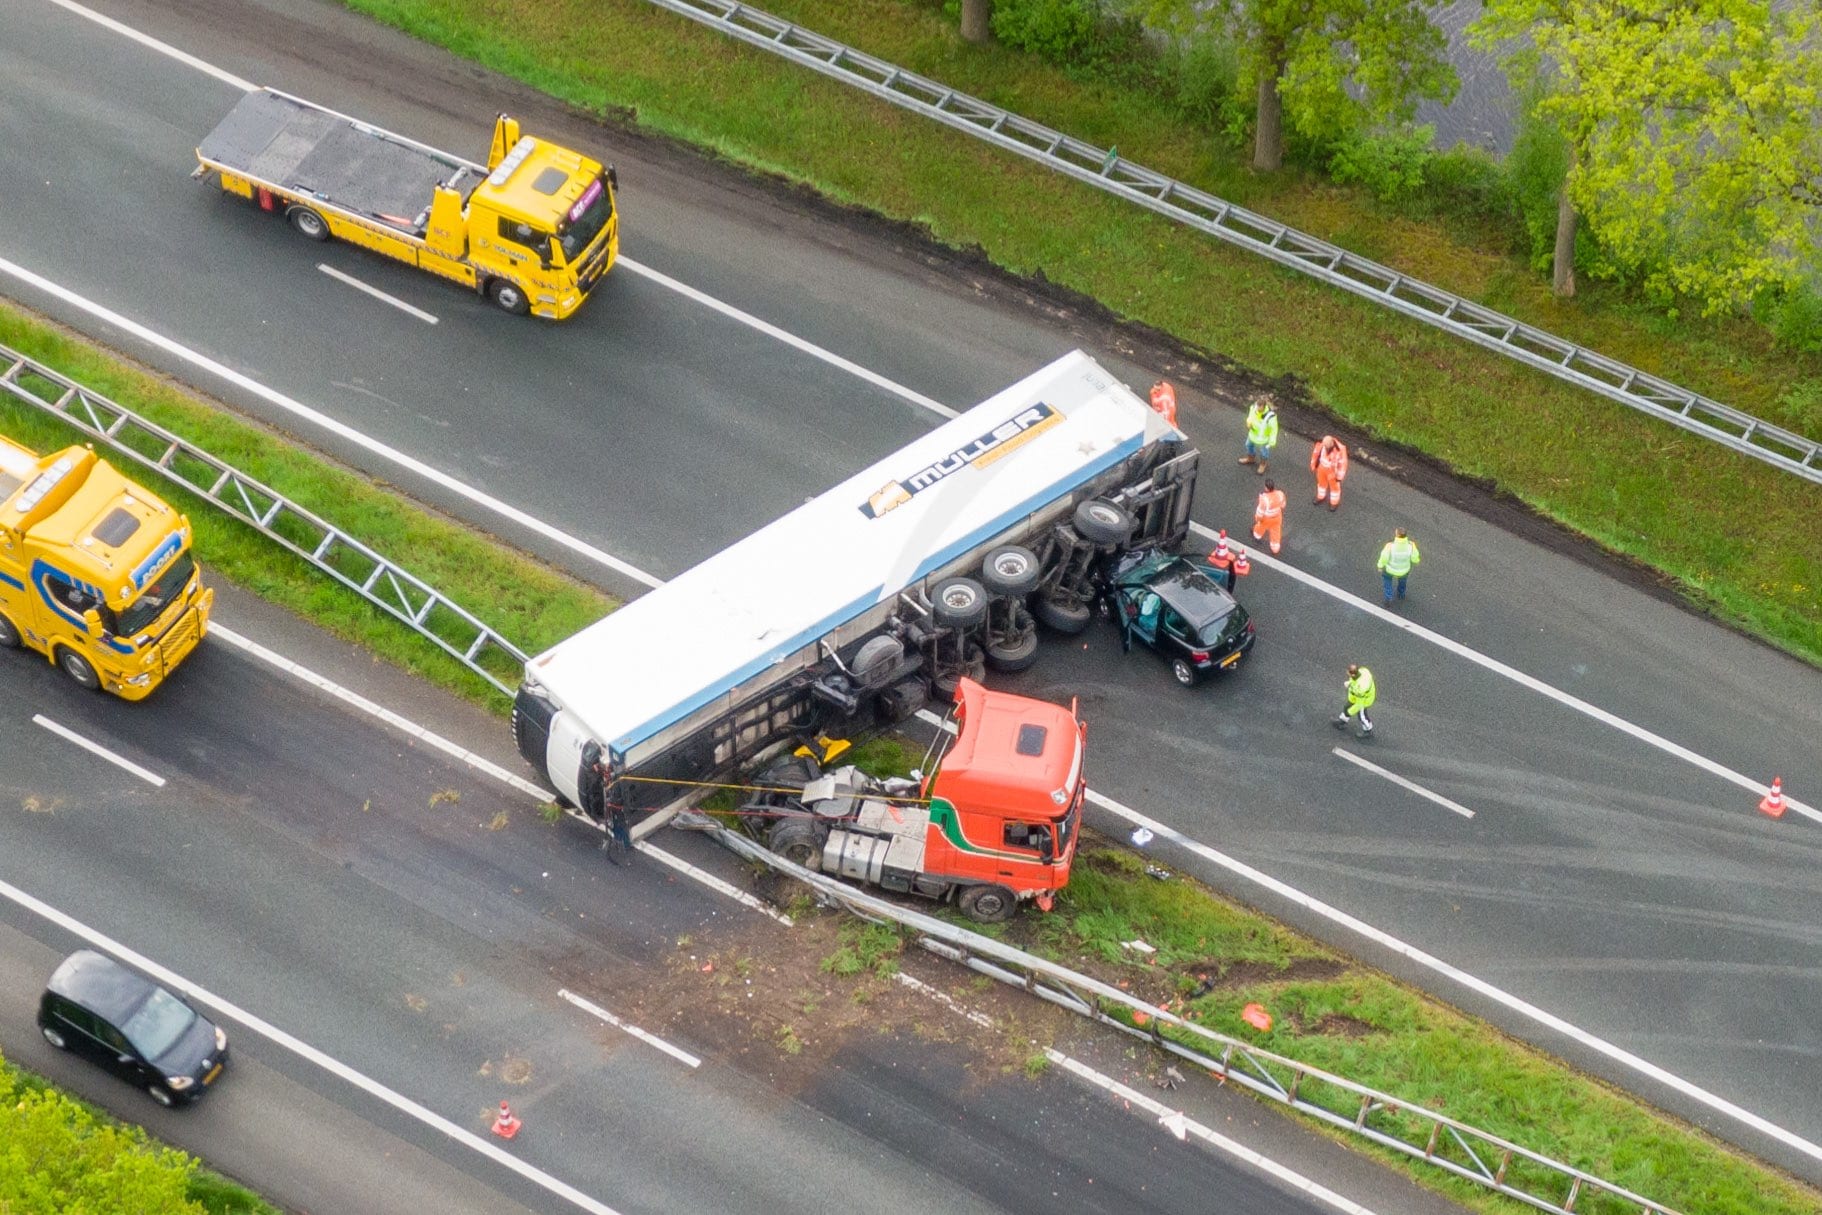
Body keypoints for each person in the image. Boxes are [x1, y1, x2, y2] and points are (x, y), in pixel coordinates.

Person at [1376, 528, 1420, 606]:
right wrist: (1417, 561)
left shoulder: (1390, 545)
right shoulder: (1411, 545)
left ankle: (1388, 597)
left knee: (1387, 581)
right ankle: (1401, 594)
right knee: (1402, 582)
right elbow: (1414, 558)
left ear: (1397, 535)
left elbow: (1384, 557)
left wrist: (1380, 566)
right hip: (1404, 570)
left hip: (1389, 569)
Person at [1238, 395, 1278, 474]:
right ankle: (1250, 458)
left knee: (1264, 452)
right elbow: (1250, 417)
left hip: (1264, 438)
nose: (1257, 408)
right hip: (1253, 434)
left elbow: (1274, 429)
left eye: (1260, 406)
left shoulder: (1270, 416)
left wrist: (1272, 440)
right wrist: (1248, 422)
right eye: (1257, 405)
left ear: (1264, 406)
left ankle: (1263, 464)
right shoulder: (1253, 408)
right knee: (1248, 445)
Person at [1310, 435, 1348, 511]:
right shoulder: (1321, 445)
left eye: (1327, 446)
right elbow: (1315, 454)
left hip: (1332, 471)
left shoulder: (1340, 450)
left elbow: (1342, 464)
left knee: (1334, 487)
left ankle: (1334, 503)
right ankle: (1320, 496)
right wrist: (1313, 465)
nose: (1325, 447)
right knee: (1321, 483)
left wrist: (1339, 477)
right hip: (1321, 468)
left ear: (1331, 444)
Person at [1335, 664, 1376, 735]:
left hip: (1364, 700)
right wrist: (1350, 683)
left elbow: (1359, 704)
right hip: (1355, 696)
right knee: (1347, 707)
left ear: (1353, 674)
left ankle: (1368, 731)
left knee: (1362, 716)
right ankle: (1342, 721)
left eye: (1348, 673)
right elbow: (1356, 681)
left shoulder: (1361, 688)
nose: (1347, 673)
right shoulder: (1361, 671)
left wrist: (1349, 712)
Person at [1252, 479, 1285, 555]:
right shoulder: (1280, 494)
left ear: (1266, 488)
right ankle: (1275, 548)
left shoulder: (1264, 499)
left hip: (1267, 518)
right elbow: (1283, 505)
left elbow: (1260, 512)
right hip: (1277, 517)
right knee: (1276, 532)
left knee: (1260, 527)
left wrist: (1258, 519)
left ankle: (1257, 536)